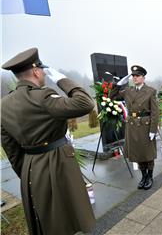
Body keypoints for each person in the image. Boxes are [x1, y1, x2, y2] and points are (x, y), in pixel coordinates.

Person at [1, 48, 96, 234]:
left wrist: (27, 172)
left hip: (30, 166)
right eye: (42, 70)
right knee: (66, 215)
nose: (43, 73)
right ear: (36, 70)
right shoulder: (43, 96)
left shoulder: (3, 105)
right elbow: (85, 103)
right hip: (58, 162)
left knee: (47, 218)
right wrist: (62, 79)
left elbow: (10, 147)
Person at [111, 65, 159, 190]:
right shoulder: (128, 91)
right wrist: (118, 84)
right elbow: (112, 97)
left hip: (145, 125)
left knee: (147, 153)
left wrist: (153, 130)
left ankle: (149, 177)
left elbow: (155, 112)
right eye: (133, 76)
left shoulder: (151, 91)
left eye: (137, 76)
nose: (135, 78)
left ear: (143, 77)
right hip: (132, 125)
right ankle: (143, 177)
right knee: (137, 153)